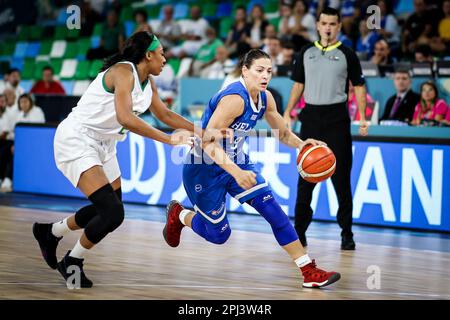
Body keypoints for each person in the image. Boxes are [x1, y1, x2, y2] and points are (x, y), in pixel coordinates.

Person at [32, 32, 200, 289]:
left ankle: (51, 233)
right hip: (78, 138)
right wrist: (169, 140)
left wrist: (198, 129)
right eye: (162, 53)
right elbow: (125, 118)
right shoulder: (123, 72)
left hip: (105, 145)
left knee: (110, 210)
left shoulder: (147, 81)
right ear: (148, 55)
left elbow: (164, 113)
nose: (166, 59)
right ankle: (73, 261)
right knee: (112, 213)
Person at [164, 49, 341, 288]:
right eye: (259, 70)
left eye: (269, 71)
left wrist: (302, 145)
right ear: (245, 71)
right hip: (204, 168)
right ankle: (180, 214)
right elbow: (207, 142)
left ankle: (308, 271)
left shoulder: (266, 98)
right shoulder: (234, 99)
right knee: (219, 235)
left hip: (237, 160)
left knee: (273, 210)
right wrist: (236, 172)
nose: (265, 75)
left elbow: (283, 133)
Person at [283, 7, 369, 251]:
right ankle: (299, 233)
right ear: (318, 26)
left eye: (333, 23)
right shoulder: (305, 52)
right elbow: (298, 84)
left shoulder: (348, 54)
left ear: (339, 26)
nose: (328, 27)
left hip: (337, 119)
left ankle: (347, 234)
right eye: (324, 23)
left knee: (342, 181)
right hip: (310, 118)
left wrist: (362, 117)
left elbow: (359, 86)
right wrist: (288, 112)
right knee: (305, 179)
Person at [0, 94, 46, 192]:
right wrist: (15, 145)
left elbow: (36, 132)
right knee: (5, 149)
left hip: (34, 144)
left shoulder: (37, 112)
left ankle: (8, 180)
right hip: (20, 144)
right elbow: (15, 131)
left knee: (16, 154)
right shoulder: (20, 115)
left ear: (30, 102)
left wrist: (19, 146)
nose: (23, 104)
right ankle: (2, 178)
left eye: (25, 102)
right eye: (21, 102)